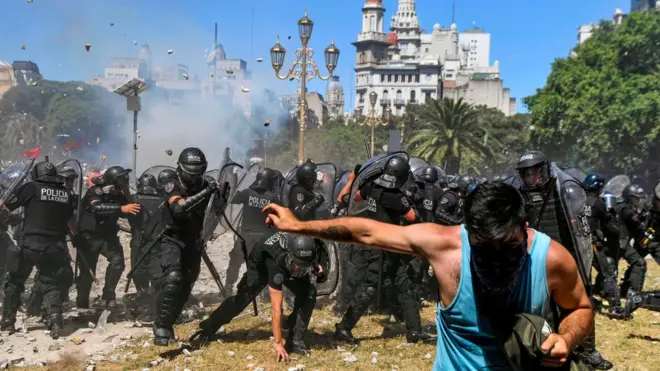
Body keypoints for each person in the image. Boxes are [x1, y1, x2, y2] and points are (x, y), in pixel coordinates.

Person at [264, 181, 594, 370]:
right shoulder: (446, 247)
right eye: (483, 248)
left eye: (507, 247)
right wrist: (299, 226)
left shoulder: (551, 259)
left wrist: (566, 338)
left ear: (525, 230)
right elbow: (366, 232)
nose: (495, 258)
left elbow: (580, 308)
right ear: (468, 232)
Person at [514, 150, 612, 370]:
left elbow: (580, 229)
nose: (531, 179)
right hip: (538, 258)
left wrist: (581, 264)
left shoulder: (565, 190)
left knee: (580, 304)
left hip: (569, 257)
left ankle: (588, 351)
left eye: (535, 173)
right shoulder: (519, 194)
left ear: (545, 170)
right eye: (526, 175)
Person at [335, 155, 430, 344]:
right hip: (384, 246)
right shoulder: (395, 196)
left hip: (379, 243)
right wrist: (410, 199)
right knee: (370, 287)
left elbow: (356, 196)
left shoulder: (371, 187)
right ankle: (344, 328)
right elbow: (412, 217)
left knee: (404, 285)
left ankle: (414, 331)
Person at [189, 232, 326, 359]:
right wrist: (278, 343)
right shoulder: (276, 262)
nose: (299, 272)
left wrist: (314, 266)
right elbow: (276, 307)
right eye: (297, 267)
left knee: (309, 294)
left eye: (303, 268)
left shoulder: (308, 246)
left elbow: (313, 257)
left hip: (292, 261)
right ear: (289, 256)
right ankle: (209, 327)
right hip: (261, 267)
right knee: (242, 300)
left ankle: (296, 340)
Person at [0, 161, 76, 339]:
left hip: (31, 244)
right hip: (55, 246)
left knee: (14, 281)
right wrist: (77, 238)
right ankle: (56, 321)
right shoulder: (65, 193)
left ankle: (7, 323)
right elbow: (70, 220)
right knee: (51, 283)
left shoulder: (31, 187)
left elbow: (9, 205)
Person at [154, 147, 222, 346]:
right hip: (172, 238)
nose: (193, 178)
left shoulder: (206, 183)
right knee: (174, 278)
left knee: (186, 286)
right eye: (189, 174)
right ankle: (161, 326)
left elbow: (216, 211)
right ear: (180, 169)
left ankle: (169, 324)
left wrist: (217, 191)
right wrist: (206, 192)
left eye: (197, 174)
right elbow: (178, 208)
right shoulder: (171, 182)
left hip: (195, 240)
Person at [75, 165, 140, 308]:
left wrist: (127, 194)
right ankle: (82, 302)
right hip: (89, 236)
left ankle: (109, 294)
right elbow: (96, 208)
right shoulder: (96, 191)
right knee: (87, 272)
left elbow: (130, 210)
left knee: (118, 263)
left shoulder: (118, 195)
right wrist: (120, 208)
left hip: (108, 236)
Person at [26, 164, 80, 317]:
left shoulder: (68, 196)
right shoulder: (52, 193)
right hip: (39, 239)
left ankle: (37, 307)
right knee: (51, 274)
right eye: (67, 180)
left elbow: (68, 220)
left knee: (53, 274)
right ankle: (45, 307)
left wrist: (76, 236)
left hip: (56, 240)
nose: (70, 184)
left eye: (71, 180)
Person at [224, 167, 280, 295]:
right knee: (263, 264)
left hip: (245, 236)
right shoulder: (273, 197)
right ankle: (263, 291)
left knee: (235, 261)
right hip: (263, 238)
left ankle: (228, 286)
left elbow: (232, 199)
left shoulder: (247, 193)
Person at [126, 173, 170, 320]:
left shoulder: (133, 199)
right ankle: (157, 309)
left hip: (139, 243)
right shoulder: (164, 200)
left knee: (139, 275)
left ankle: (145, 307)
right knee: (157, 276)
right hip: (157, 244)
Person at [583, 173, 626, 317]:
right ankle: (615, 307)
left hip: (579, 244)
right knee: (608, 274)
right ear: (598, 188)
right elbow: (611, 229)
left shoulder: (577, 200)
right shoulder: (598, 203)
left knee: (583, 274)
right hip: (594, 244)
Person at [617, 184, 649, 297]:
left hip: (617, 243)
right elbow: (637, 226)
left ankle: (624, 290)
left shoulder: (620, 207)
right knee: (639, 263)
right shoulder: (626, 210)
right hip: (619, 243)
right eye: (636, 198)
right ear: (629, 198)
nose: (638, 201)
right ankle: (634, 293)